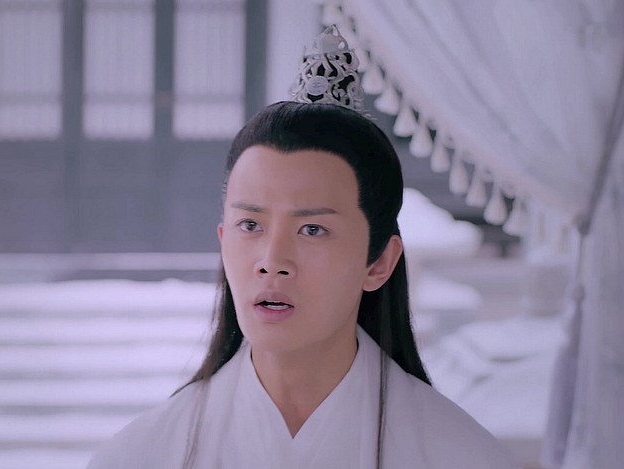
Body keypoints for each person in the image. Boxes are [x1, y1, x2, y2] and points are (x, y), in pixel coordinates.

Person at [87, 26, 519, 469]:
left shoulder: (459, 454)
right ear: (223, 242)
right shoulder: (144, 454)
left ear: (379, 262)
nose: (273, 261)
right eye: (250, 225)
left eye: (312, 229)